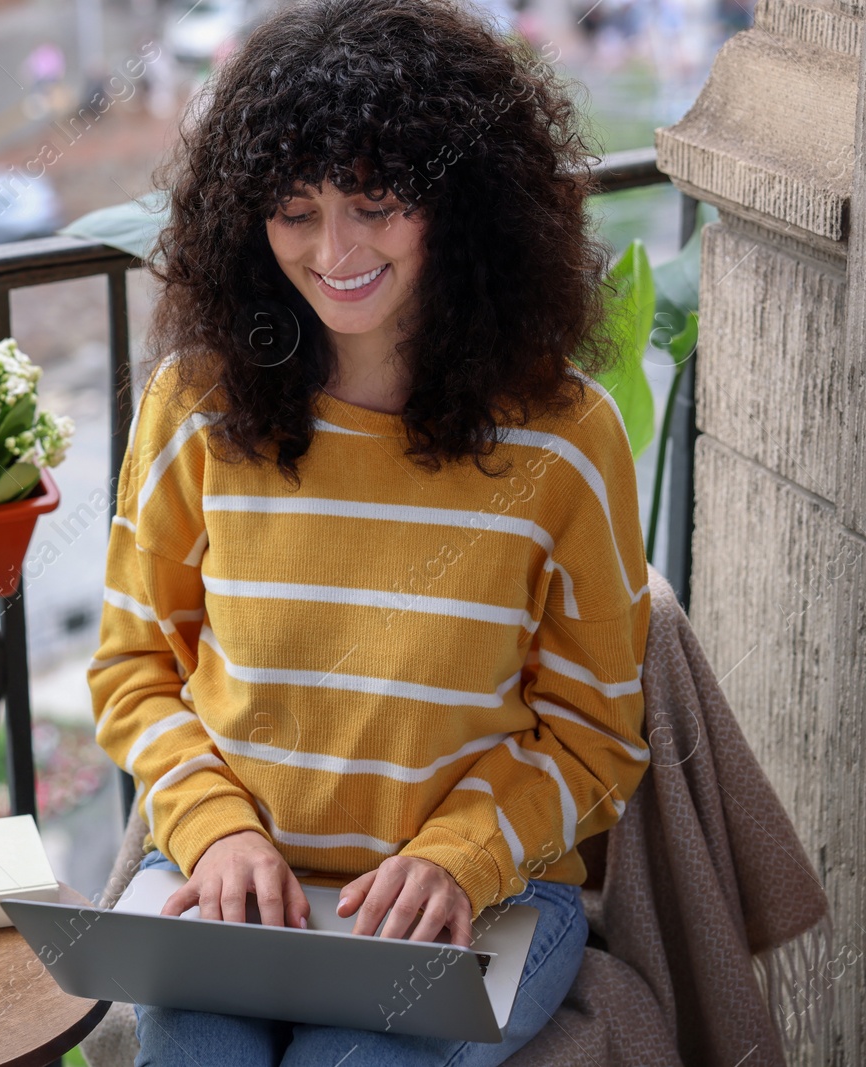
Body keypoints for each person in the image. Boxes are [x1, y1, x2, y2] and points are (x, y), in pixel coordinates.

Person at [87, 1, 651, 1065]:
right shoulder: (194, 407)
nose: (332, 249)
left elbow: (595, 733)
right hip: (240, 894)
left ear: (464, 204)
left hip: (483, 903)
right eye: (293, 211)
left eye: (374, 202)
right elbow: (131, 668)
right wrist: (218, 828)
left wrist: (463, 854)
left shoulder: (566, 440)